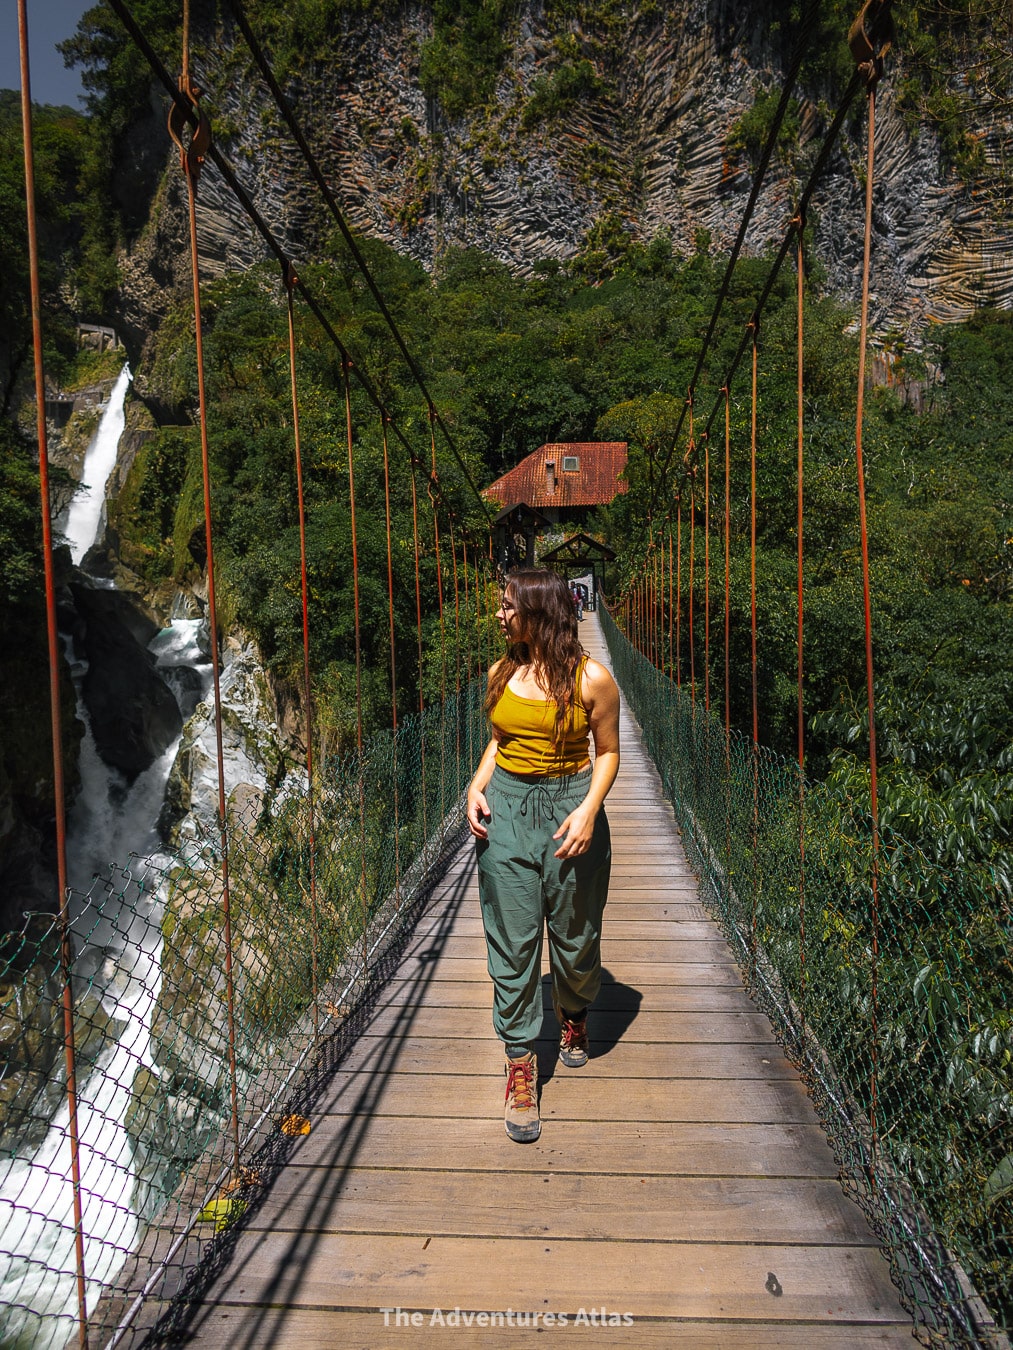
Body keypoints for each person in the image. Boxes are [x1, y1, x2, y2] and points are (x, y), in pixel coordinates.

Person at [466, 569, 620, 1142]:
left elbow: (607, 754)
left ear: (539, 613)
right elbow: (502, 740)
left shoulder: (593, 679)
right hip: (506, 811)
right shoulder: (502, 671)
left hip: (569, 809)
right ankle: (520, 1062)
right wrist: (476, 785)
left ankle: (573, 1012)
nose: (499, 615)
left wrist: (587, 810)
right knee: (512, 941)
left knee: (576, 940)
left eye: (508, 606)